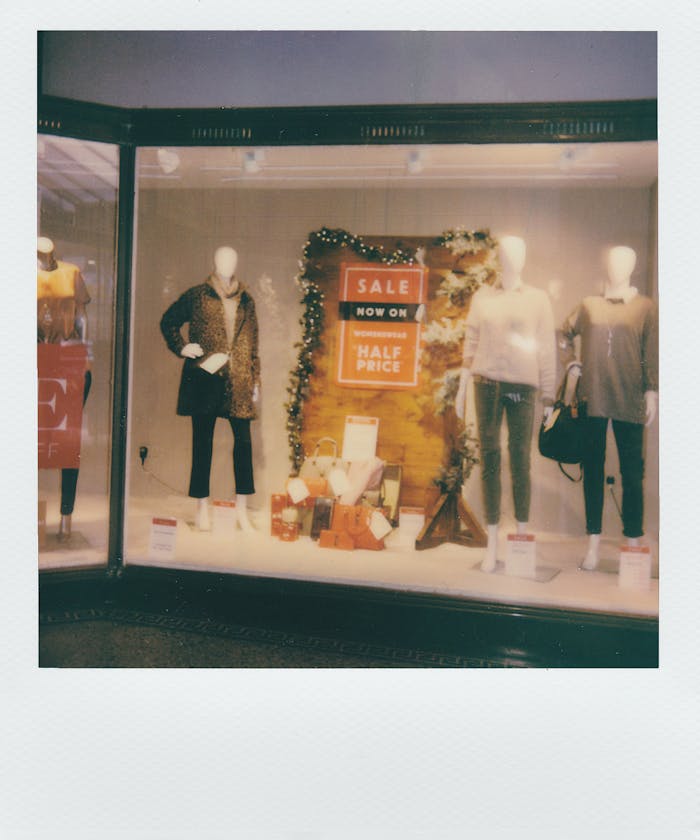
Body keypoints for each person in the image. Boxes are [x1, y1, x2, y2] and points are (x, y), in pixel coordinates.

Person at [456, 235, 555, 571]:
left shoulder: (538, 299)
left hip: (523, 387)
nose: (511, 257)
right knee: (490, 458)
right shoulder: (483, 296)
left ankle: (522, 535)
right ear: (498, 257)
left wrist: (549, 394)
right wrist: (463, 382)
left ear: (525, 257)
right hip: (486, 382)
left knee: (520, 458)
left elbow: (545, 347)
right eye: (505, 252)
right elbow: (471, 340)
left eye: (517, 251)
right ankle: (493, 539)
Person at [562, 245, 658, 570]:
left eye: (624, 261)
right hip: (594, 397)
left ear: (633, 266)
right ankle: (593, 544)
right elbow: (564, 333)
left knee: (632, 473)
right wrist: (570, 362)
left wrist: (651, 391)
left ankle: (632, 539)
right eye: (613, 261)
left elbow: (652, 350)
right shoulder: (589, 305)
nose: (617, 267)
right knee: (593, 471)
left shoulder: (645, 307)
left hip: (630, 397)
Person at [160, 246, 260, 531]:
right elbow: (169, 322)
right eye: (222, 259)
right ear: (214, 262)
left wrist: (255, 381)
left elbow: (253, 344)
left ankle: (241, 509)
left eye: (232, 259)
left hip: (238, 380)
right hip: (205, 378)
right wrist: (182, 347)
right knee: (202, 444)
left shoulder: (246, 301)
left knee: (243, 444)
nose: (228, 264)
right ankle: (201, 506)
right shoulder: (197, 295)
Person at [37, 236, 91, 541]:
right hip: (29, 359)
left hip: (67, 359)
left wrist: (85, 360)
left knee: (68, 442)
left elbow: (83, 320)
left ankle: (66, 516)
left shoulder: (72, 273)